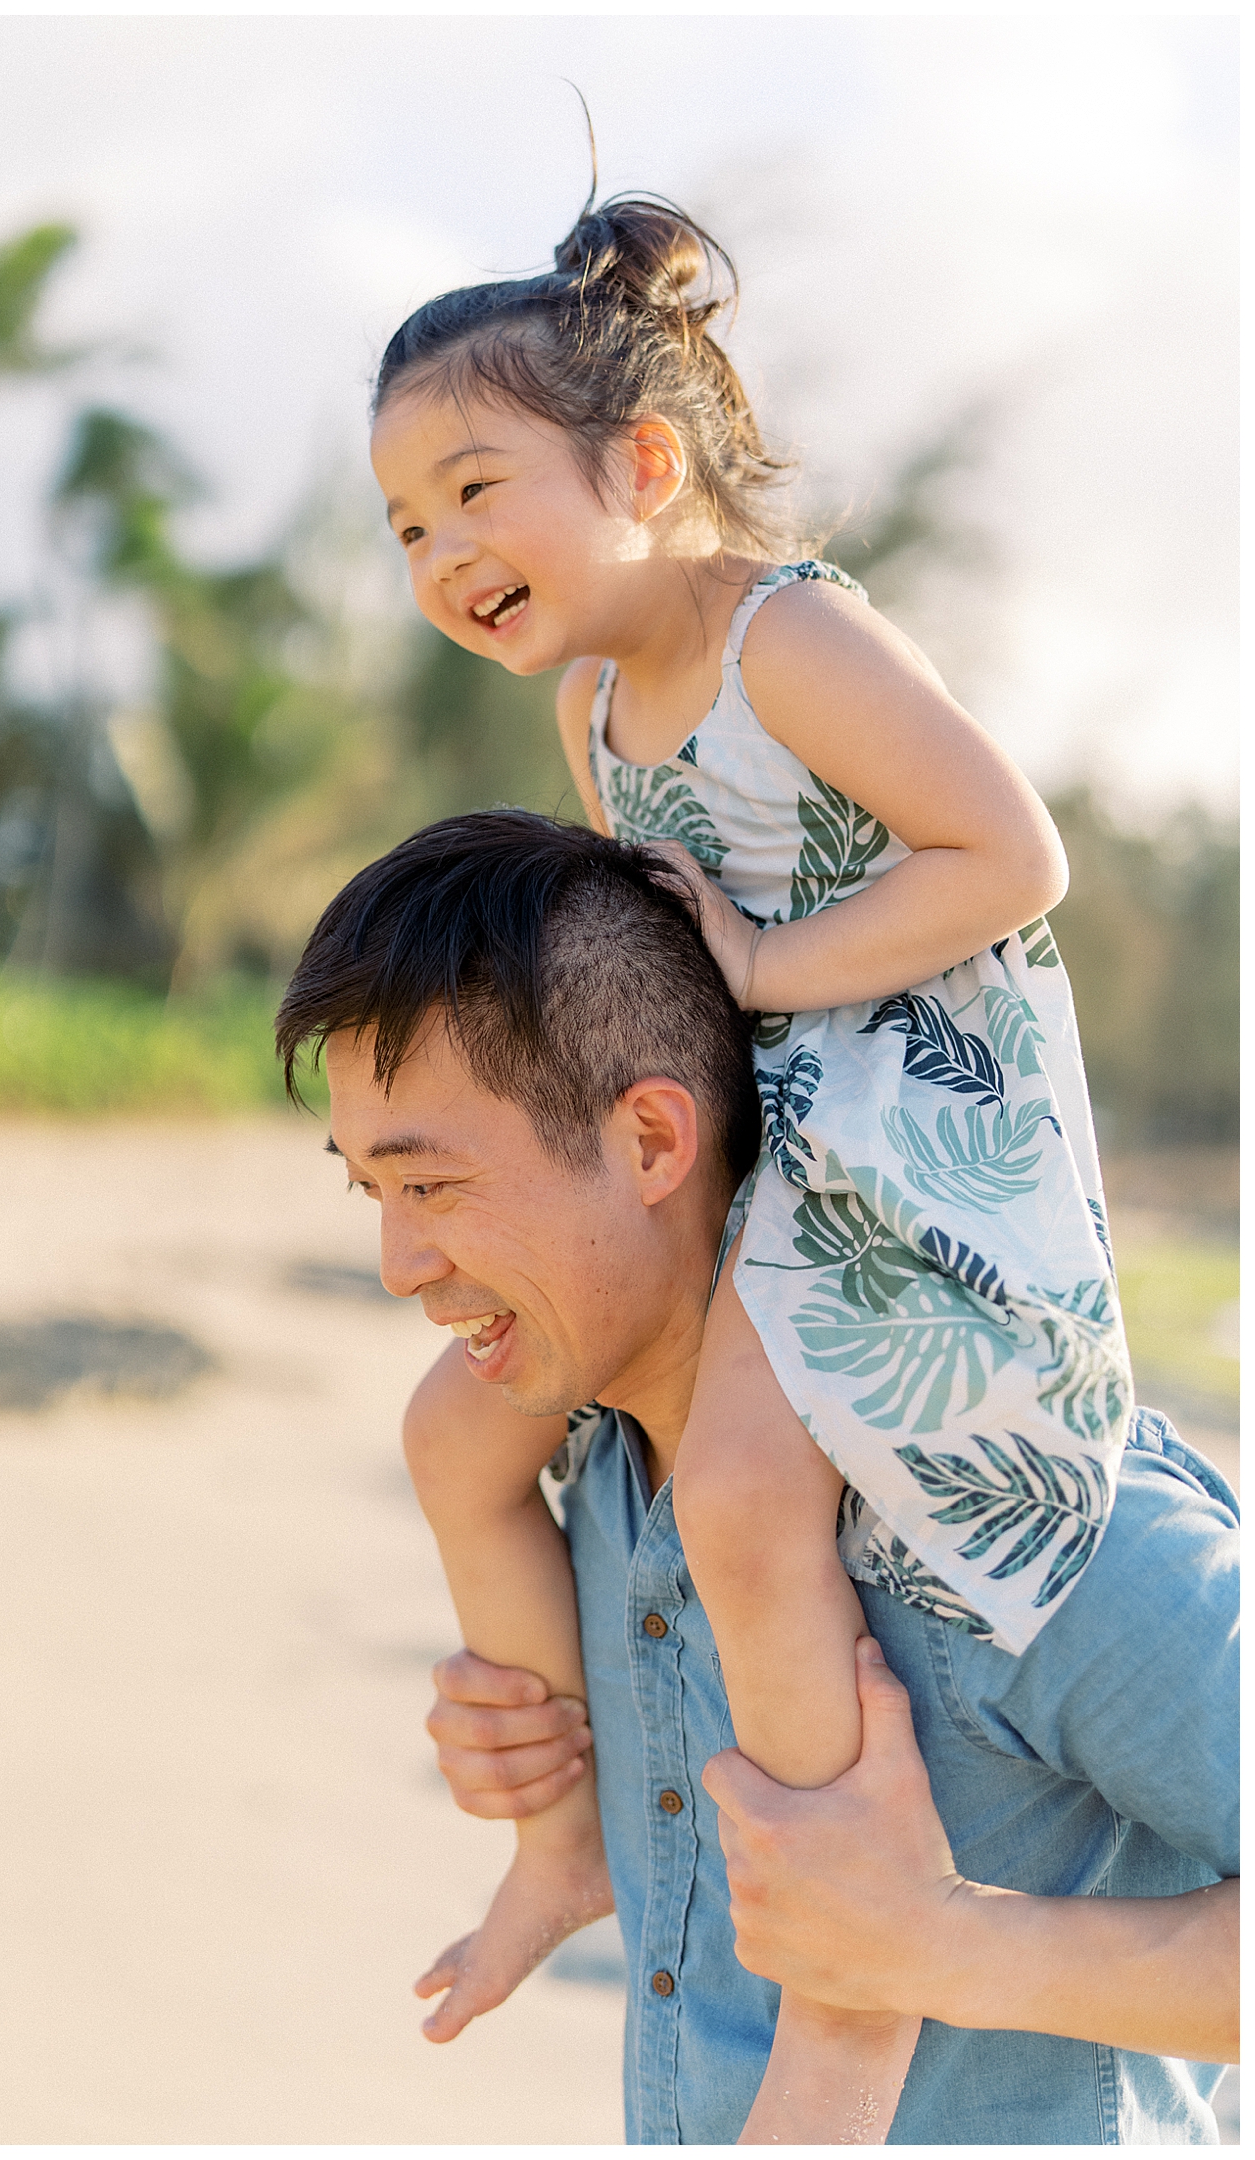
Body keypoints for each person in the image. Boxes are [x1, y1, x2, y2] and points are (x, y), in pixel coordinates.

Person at [365, 192, 1133, 2137]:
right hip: (752, 1134)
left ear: (638, 462)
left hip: (913, 1145)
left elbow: (1008, 861)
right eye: (406, 527)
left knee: (730, 1480)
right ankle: (565, 1847)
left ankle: (848, 1979)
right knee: (457, 1440)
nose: (442, 553)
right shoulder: (594, 705)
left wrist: (769, 972)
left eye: (470, 490)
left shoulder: (788, 641)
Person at [274, 812, 1237, 2145]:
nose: (397, 1263)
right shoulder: (589, 1485)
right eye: (369, 1192)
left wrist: (944, 1949)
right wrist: (554, 1752)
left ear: (656, 1144)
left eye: (432, 1186)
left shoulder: (1018, 1503)